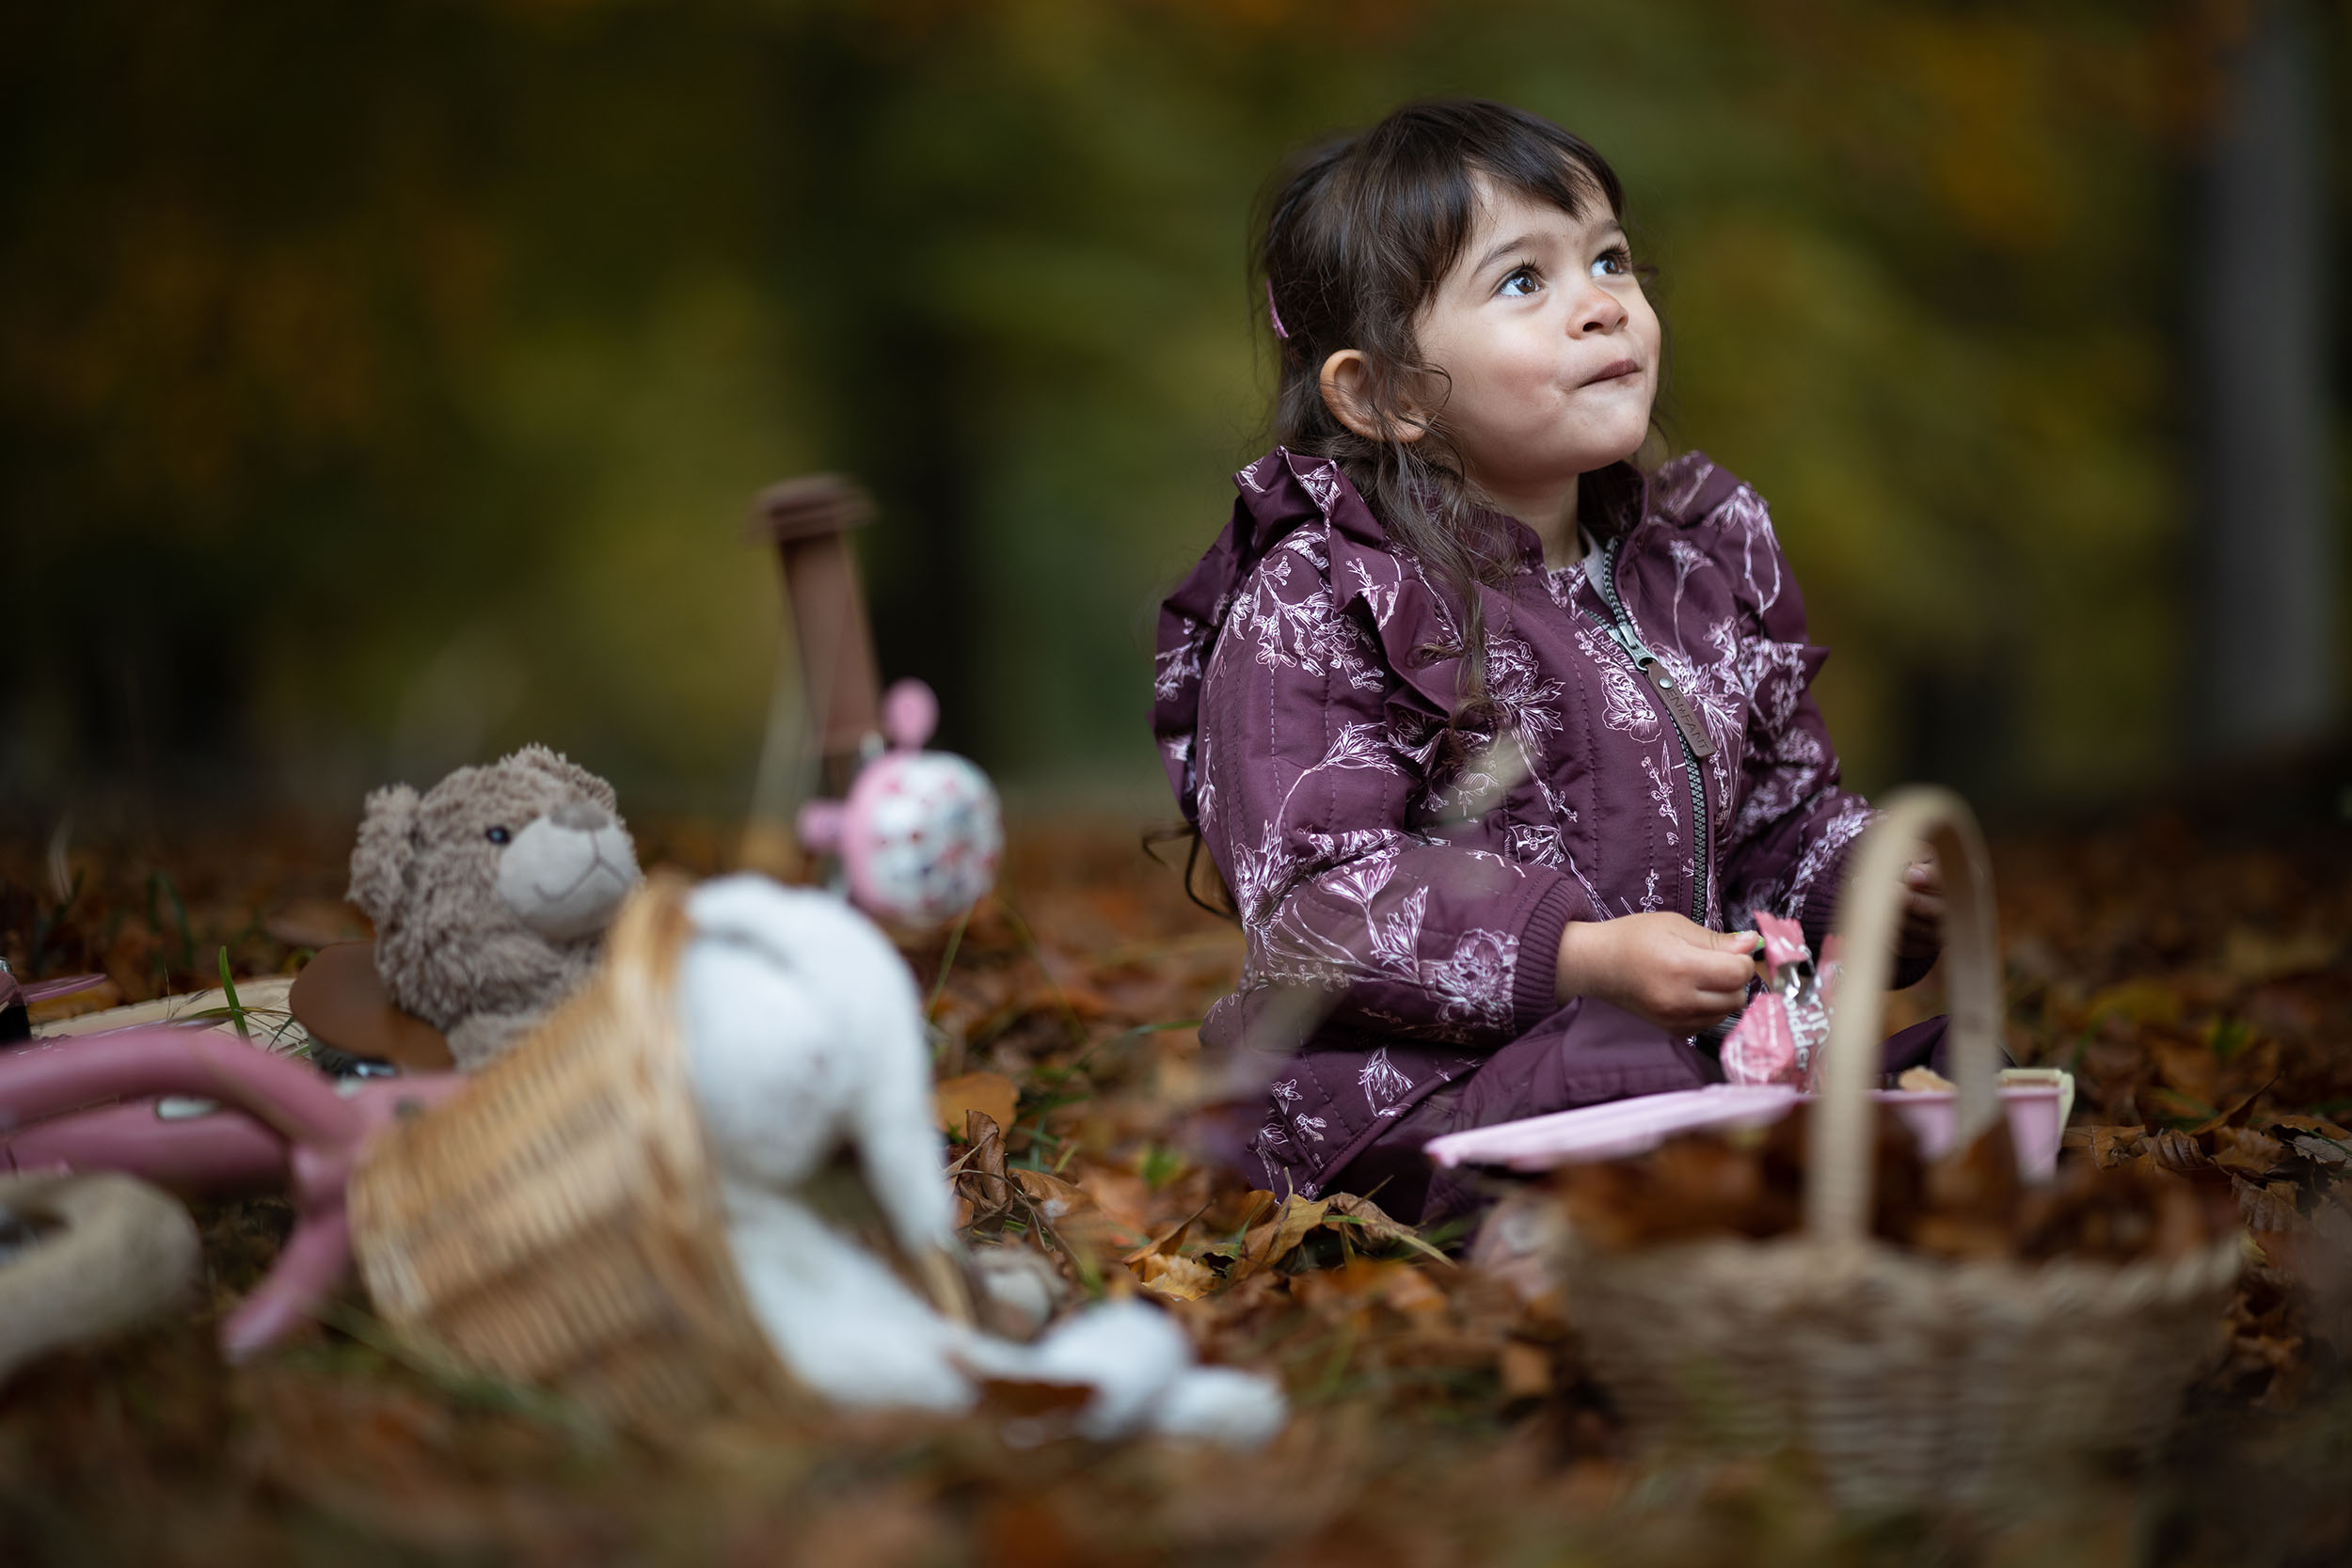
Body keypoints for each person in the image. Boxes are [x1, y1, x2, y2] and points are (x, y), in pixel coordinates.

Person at [1152, 99, 1944, 1226]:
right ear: (1381, 394)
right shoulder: (1330, 594)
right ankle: (1590, 1241)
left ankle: (1759, 1219)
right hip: (1403, 1102)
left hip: (1684, 1055)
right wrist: (1582, 958)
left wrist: (1860, 883)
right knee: (1628, 1077)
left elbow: (1775, 817)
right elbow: (1314, 906)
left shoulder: (1698, 562)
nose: (1601, 305)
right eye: (1525, 281)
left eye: (1610, 258)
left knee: (1953, 1072)